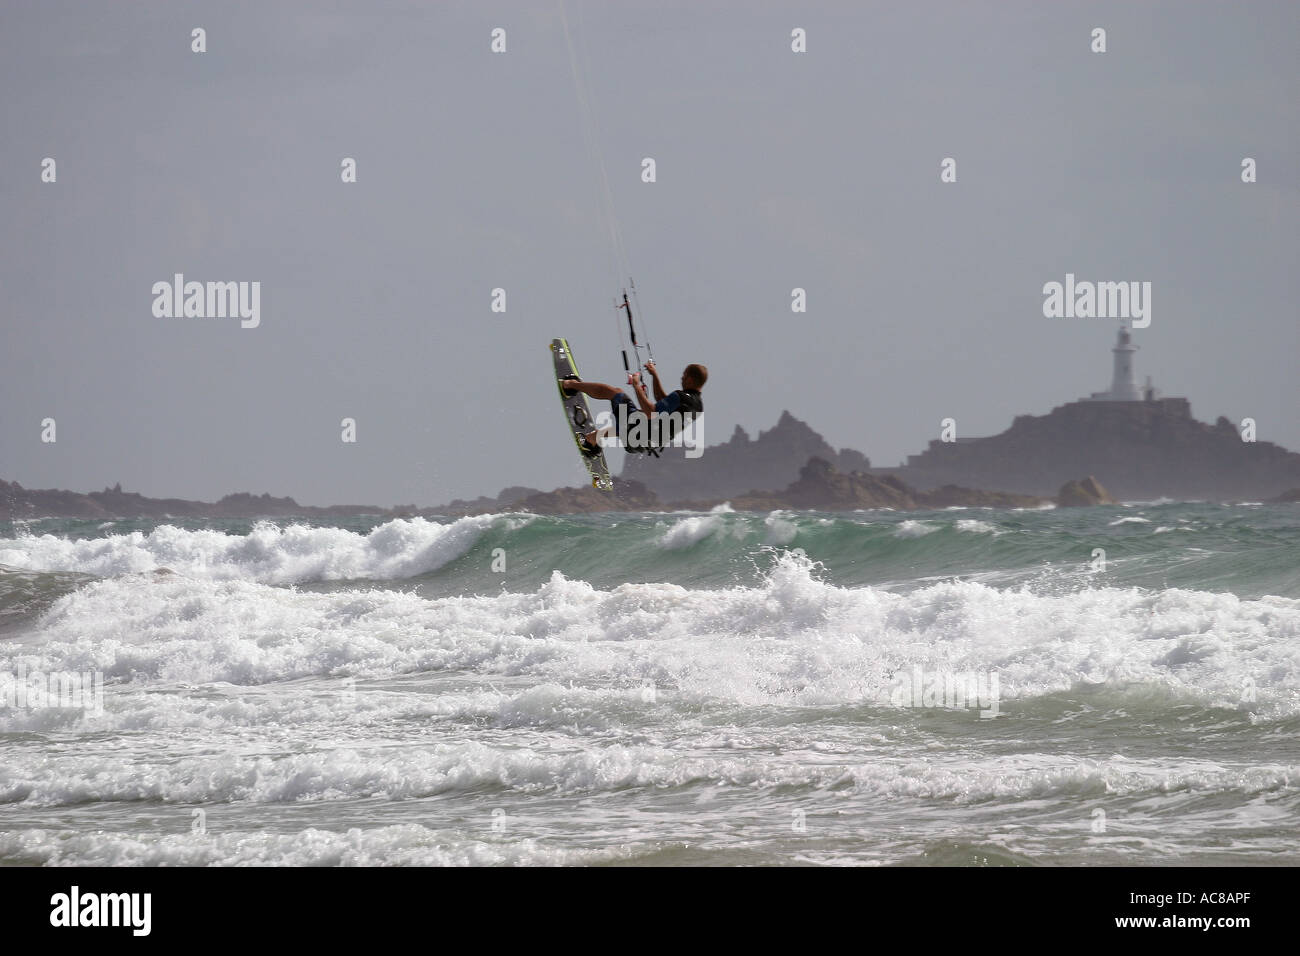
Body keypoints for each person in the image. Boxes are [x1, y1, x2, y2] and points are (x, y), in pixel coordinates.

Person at [562, 361, 706, 456]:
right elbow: (662, 401)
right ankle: (592, 439)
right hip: (645, 444)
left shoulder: (680, 396)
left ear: (690, 379)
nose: (681, 378)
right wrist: (654, 375)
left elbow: (651, 412)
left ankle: (569, 385)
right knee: (634, 419)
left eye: (684, 376)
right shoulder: (698, 407)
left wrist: (636, 385)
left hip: (637, 432)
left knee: (616, 393)